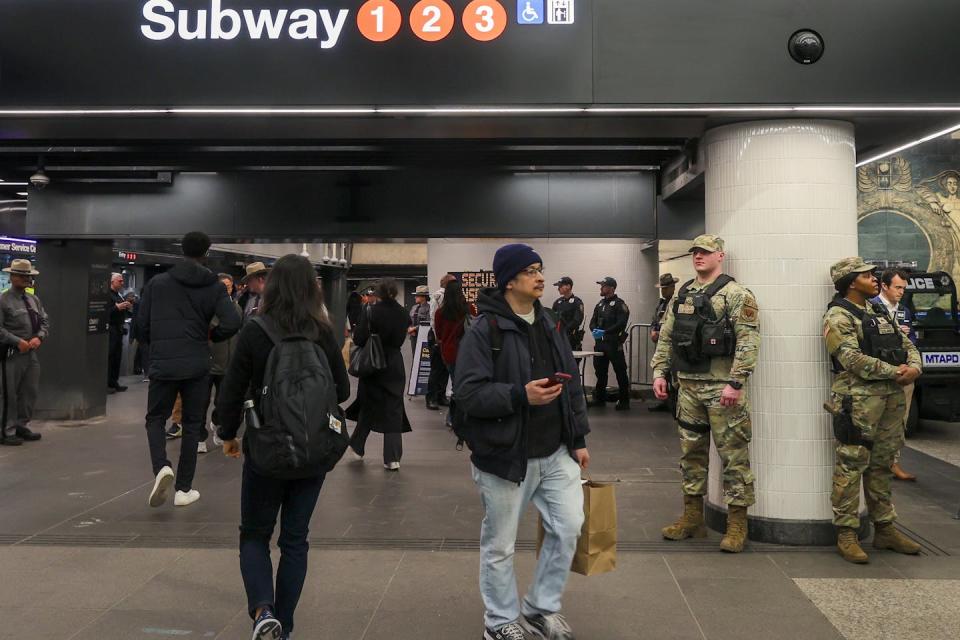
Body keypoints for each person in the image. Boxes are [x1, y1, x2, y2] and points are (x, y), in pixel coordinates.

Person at [455, 243, 589, 640]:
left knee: (568, 528)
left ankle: (538, 609)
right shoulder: (485, 330)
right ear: (509, 280)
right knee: (500, 546)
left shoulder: (550, 322)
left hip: (555, 450)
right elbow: (467, 393)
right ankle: (499, 621)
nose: (540, 276)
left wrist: (578, 437)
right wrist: (519, 395)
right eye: (531, 270)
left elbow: (572, 382)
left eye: (540, 269)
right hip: (505, 456)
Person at [218, 254, 350, 640]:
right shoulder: (322, 330)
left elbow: (231, 392)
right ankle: (285, 628)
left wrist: (228, 433)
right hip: (314, 452)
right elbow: (341, 389)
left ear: (271, 286)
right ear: (313, 288)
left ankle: (263, 612)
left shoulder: (256, 330)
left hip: (267, 450)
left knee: (255, 535)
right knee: (295, 539)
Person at [650, 234, 760, 553]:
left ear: (720, 256)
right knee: (691, 455)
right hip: (688, 387)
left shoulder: (735, 294)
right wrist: (660, 372)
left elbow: (748, 340)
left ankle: (737, 525)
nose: (699, 256)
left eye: (706, 252)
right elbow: (668, 336)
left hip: (722, 388)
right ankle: (692, 519)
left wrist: (736, 382)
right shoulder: (683, 293)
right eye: (695, 252)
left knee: (734, 456)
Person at [823, 258, 923, 564]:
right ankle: (847, 534)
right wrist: (895, 371)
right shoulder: (837, 317)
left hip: (890, 400)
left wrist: (915, 368)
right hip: (859, 403)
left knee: (882, 464)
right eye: (867, 275)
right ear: (852, 282)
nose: (874, 278)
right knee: (851, 467)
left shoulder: (878, 311)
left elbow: (907, 344)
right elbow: (850, 358)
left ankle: (884, 528)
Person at [139, 232, 242, 508]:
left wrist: (157, 344)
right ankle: (184, 489)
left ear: (180, 250)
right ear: (206, 253)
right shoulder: (214, 286)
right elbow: (233, 322)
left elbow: (140, 326)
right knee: (193, 423)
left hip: (163, 363)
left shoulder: (157, 284)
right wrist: (211, 335)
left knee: (155, 419)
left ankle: (161, 466)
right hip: (198, 362)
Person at [347, 280, 412, 470]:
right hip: (394, 363)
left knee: (368, 404)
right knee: (393, 408)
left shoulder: (371, 311)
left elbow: (359, 338)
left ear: (379, 293)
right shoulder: (403, 313)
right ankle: (392, 458)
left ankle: (357, 446)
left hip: (373, 362)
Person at [870, 269, 918, 482]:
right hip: (879, 374)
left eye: (903, 288)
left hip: (903, 372)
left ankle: (893, 461)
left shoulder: (904, 311)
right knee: (875, 420)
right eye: (897, 287)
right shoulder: (870, 307)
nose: (901, 292)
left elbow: (913, 340)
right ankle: (874, 463)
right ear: (884, 286)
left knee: (900, 420)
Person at [0, 259, 48, 446]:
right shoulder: (3, 300)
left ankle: (21, 425)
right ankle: (6, 430)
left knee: (29, 391)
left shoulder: (33, 299)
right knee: (8, 393)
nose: (26, 279)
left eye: (28, 276)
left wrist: (40, 337)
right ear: (12, 277)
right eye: (22, 275)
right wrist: (17, 341)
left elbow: (44, 322)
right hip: (11, 354)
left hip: (31, 353)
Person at [198, 273, 242, 454]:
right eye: (223, 286)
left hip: (228, 365)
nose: (227, 289)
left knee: (223, 402)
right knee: (200, 404)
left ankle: (217, 424)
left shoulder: (236, 308)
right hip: (206, 364)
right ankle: (200, 438)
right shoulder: (206, 308)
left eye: (230, 286)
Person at [589, 276, 631, 410]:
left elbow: (621, 322)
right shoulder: (600, 304)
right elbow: (592, 321)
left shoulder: (619, 304)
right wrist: (594, 329)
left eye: (603, 286)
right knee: (600, 372)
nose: (601, 288)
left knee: (620, 371)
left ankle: (624, 401)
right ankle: (600, 398)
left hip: (613, 343)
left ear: (611, 288)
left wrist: (605, 331)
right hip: (600, 343)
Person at [433, 279, 477, 382]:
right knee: (468, 383)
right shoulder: (470, 309)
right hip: (468, 352)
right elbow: (476, 328)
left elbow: (439, 335)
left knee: (455, 382)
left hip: (449, 353)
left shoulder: (439, 313)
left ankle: (456, 396)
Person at [649, 273, 679, 412]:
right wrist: (653, 331)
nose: (663, 290)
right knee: (663, 374)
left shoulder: (678, 302)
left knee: (674, 376)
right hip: (662, 344)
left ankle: (675, 402)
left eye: (666, 288)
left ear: (673, 287)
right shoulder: (661, 304)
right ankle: (665, 401)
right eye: (662, 288)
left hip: (674, 346)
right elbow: (655, 320)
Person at [426, 273, 457, 410]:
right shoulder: (438, 296)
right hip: (438, 337)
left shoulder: (451, 297)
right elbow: (433, 317)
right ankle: (432, 398)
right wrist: (437, 337)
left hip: (444, 336)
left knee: (444, 369)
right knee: (437, 369)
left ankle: (440, 396)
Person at [108, 272, 132, 393]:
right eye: (120, 281)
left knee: (117, 357)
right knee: (110, 357)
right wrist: (116, 308)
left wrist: (126, 306)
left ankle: (114, 381)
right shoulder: (108, 295)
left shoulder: (119, 295)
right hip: (111, 330)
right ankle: (107, 383)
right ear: (112, 282)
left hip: (118, 329)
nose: (122, 283)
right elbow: (105, 312)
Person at [551, 276, 585, 351]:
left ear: (568, 286)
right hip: (558, 337)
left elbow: (577, 320)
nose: (558, 288)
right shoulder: (558, 302)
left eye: (560, 286)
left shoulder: (577, 302)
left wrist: (564, 330)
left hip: (571, 337)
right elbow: (552, 318)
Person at [408, 285, 431, 355]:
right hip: (413, 336)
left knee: (423, 357)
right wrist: (409, 328)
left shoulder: (429, 308)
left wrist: (414, 328)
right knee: (414, 355)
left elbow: (428, 322)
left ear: (423, 297)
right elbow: (408, 320)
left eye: (417, 296)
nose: (415, 297)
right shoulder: (414, 307)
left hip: (423, 336)